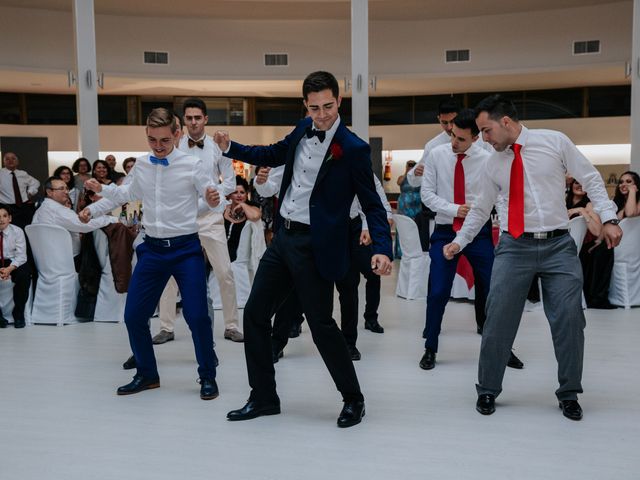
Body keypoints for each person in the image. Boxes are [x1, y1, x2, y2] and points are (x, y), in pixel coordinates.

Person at [215, 71, 392, 428]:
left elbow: (372, 203)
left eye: (328, 106)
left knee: (322, 324)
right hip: (283, 239)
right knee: (255, 315)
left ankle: (353, 399)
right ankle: (263, 397)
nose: (322, 114)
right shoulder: (301, 129)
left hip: (317, 245)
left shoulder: (354, 149)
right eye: (314, 107)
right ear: (305, 106)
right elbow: (270, 153)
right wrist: (230, 148)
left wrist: (383, 248)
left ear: (339, 101)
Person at [443, 94, 622, 421]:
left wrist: (609, 218)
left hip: (558, 246)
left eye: (486, 131)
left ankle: (569, 393)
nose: (483, 138)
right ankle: (487, 389)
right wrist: (460, 241)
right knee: (497, 318)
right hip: (514, 247)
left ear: (505, 123)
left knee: (569, 319)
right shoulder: (492, 163)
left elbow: (591, 178)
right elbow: (481, 208)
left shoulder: (554, 142)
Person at [81, 107, 222, 400]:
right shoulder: (142, 166)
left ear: (177, 135)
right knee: (134, 316)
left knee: (197, 317)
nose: (158, 146)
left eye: (164, 141)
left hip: (186, 250)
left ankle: (207, 375)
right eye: (152, 140)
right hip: (153, 250)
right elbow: (125, 196)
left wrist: (211, 198)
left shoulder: (191, 165)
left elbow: (210, 198)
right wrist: (97, 197)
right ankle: (147, 374)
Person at [418, 108, 523, 371]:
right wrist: (455, 209)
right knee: (438, 290)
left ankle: (502, 348)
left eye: (461, 139)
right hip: (444, 231)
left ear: (476, 138)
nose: (453, 143)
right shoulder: (436, 155)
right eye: (452, 135)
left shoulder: (489, 157)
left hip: (479, 233)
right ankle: (430, 347)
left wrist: (486, 214)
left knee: (492, 290)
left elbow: (499, 194)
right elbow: (426, 195)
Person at [151, 97, 243, 346]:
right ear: (184, 121)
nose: (193, 122)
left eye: (197, 117)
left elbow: (232, 183)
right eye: (189, 118)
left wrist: (214, 200)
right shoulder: (173, 146)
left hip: (210, 218)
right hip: (180, 220)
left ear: (205, 119)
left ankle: (232, 325)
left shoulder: (217, 146)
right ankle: (166, 327)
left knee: (224, 272)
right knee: (169, 275)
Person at [33, 176, 117, 260]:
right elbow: (83, 225)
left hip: (47, 260)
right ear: (49, 192)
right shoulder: (56, 209)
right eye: (61, 189)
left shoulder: (42, 209)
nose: (66, 192)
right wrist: (110, 219)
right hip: (67, 260)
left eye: (67, 188)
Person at [565, 179, 613, 308]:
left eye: (582, 182)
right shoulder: (562, 202)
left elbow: (597, 231)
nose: (579, 185)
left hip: (581, 247)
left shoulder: (589, 205)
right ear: (570, 185)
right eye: (576, 182)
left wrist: (582, 211)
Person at [0, 206, 31, 329]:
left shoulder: (17, 231)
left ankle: (18, 314)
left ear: (10, 218)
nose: (1, 219)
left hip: (14, 261)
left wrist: (9, 269)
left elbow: (21, 256)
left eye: (4, 216)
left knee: (24, 274)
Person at [224, 176, 262, 262]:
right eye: (235, 192)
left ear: (246, 194)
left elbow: (255, 216)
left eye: (242, 192)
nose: (239, 195)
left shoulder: (252, 206)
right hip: (222, 255)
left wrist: (243, 205)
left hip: (241, 259)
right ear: (230, 195)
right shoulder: (223, 208)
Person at [0, 152, 40, 230]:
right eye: (7, 159)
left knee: (27, 229)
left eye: (13, 158)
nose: (10, 160)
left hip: (24, 207)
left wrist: (30, 192)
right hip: (7, 208)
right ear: (3, 162)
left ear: (17, 162)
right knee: (9, 232)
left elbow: (36, 182)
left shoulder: (23, 173)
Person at [395, 160, 422, 257]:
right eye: (409, 165)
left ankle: (416, 250)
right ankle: (401, 251)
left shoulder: (419, 178)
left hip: (417, 205)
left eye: (413, 165)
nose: (411, 167)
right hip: (404, 205)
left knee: (416, 225)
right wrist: (407, 172)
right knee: (403, 225)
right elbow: (399, 182)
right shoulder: (402, 177)